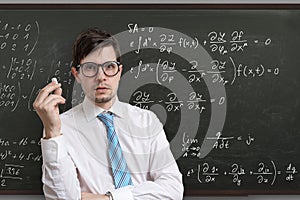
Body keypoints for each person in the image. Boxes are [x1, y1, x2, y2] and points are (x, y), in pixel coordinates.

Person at [33, 27, 184, 200]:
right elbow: (62, 198)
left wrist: (108, 198)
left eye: (109, 67)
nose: (101, 77)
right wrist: (52, 132)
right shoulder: (59, 129)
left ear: (119, 71)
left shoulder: (146, 121)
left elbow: (173, 189)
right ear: (77, 74)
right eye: (90, 68)